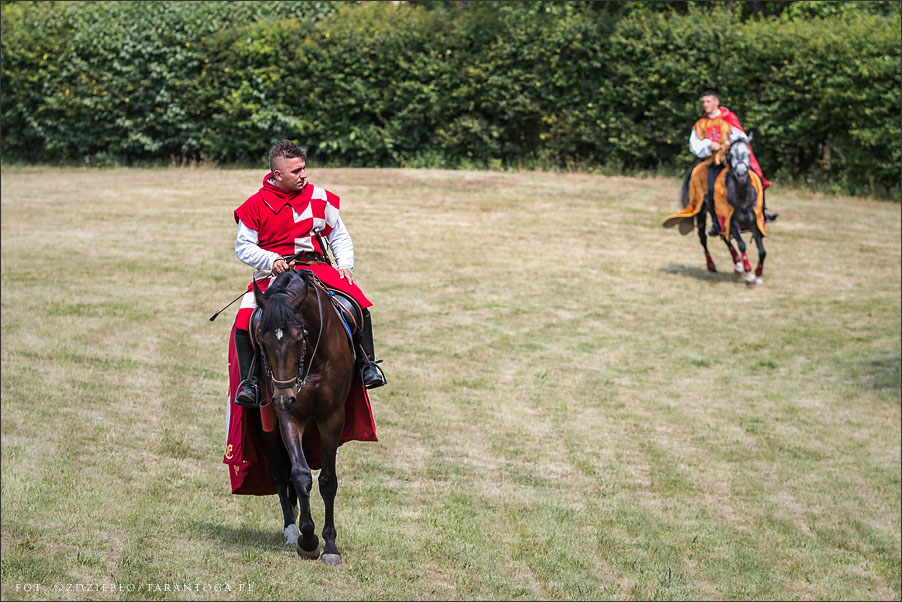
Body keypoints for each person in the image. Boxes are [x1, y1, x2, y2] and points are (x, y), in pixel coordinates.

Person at [232, 140, 387, 407]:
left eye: (304, 169)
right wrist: (271, 260)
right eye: (296, 171)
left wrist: (345, 265)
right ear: (277, 175)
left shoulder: (319, 197)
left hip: (317, 269)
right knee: (245, 320)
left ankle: (366, 365)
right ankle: (251, 382)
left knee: (357, 305)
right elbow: (243, 247)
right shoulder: (255, 205)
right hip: (275, 275)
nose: (303, 175)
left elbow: (339, 236)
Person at [688, 89, 776, 235]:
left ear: (716, 102)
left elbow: (741, 137)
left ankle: (763, 211)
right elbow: (694, 145)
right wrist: (709, 144)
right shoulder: (700, 124)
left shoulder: (728, 118)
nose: (705, 105)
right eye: (703, 102)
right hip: (714, 162)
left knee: (755, 178)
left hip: (732, 161)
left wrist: (730, 142)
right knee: (709, 187)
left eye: (708, 101)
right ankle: (716, 222)